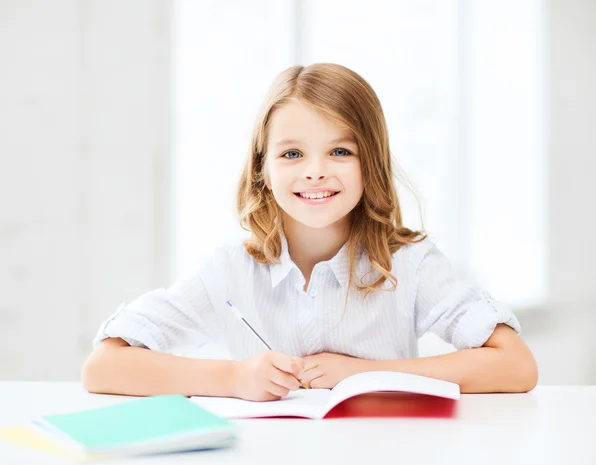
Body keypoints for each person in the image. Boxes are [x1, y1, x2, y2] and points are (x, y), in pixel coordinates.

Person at [82, 63, 538, 402]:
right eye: (292, 154)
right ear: (262, 167)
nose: (315, 173)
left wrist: (365, 375)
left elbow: (516, 366)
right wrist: (234, 378)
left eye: (339, 151)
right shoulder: (228, 269)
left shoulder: (409, 262)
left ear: (371, 163)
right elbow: (103, 368)